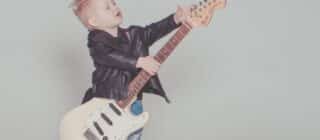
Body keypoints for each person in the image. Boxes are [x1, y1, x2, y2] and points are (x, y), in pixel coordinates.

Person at [70, 0, 190, 139]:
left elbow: (152, 31)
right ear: (94, 21)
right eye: (107, 7)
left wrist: (175, 19)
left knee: (132, 132)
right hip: (106, 102)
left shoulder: (134, 34)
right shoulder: (96, 42)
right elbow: (109, 56)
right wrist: (138, 62)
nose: (114, 7)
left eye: (113, 3)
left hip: (132, 103)